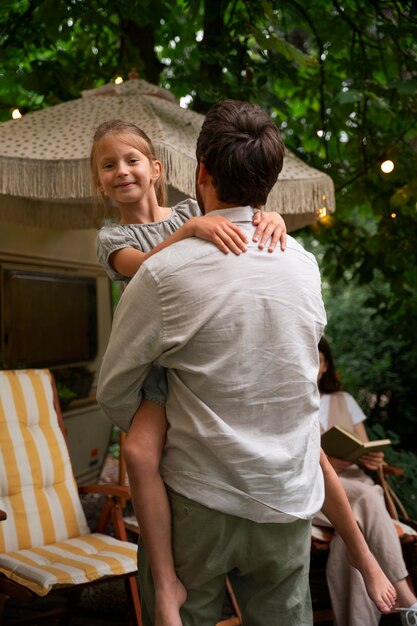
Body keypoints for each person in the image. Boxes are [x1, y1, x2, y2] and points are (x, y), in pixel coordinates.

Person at [97, 99, 327, 626]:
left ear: (197, 172)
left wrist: (168, 409)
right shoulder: (303, 264)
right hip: (286, 498)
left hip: (198, 498)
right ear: (268, 181)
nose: (121, 173)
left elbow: (112, 390)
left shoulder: (167, 268)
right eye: (108, 167)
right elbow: (304, 367)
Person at [317, 336, 417, 626]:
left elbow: (364, 446)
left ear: (325, 366)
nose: (315, 365)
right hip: (320, 491)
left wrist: (371, 460)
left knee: (345, 544)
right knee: (367, 495)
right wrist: (326, 464)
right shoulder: (294, 399)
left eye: (320, 360)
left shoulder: (343, 401)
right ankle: (408, 598)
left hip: (354, 481)